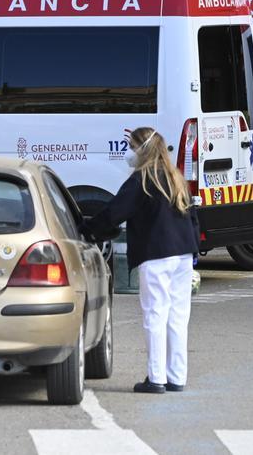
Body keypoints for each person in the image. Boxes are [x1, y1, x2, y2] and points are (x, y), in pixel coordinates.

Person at [81, 126, 199, 394]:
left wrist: (87, 230)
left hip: (156, 255)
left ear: (141, 150)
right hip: (182, 255)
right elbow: (193, 216)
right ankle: (177, 377)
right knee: (178, 318)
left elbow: (114, 213)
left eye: (132, 147)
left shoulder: (142, 179)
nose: (129, 153)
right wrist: (194, 252)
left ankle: (155, 378)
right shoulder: (175, 176)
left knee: (155, 315)